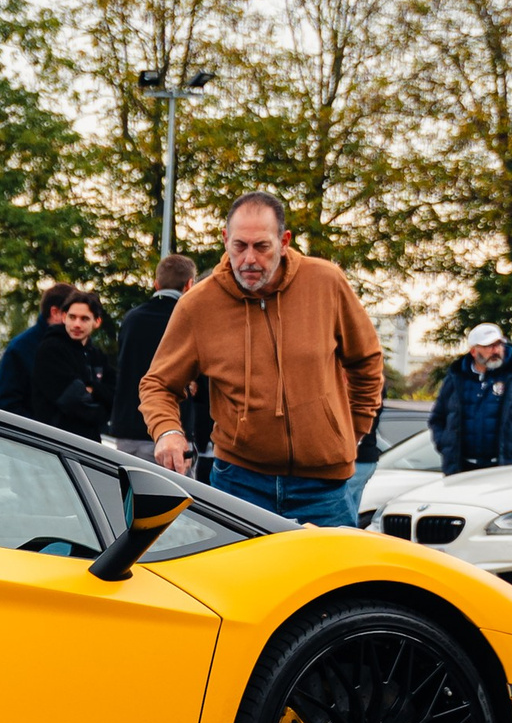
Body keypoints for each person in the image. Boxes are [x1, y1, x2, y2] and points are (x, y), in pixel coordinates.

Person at [137, 190, 383, 529]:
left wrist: (353, 430)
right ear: (225, 240)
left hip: (324, 487)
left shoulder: (326, 282)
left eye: (261, 246)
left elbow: (366, 360)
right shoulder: (198, 305)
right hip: (239, 481)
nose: (249, 259)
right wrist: (167, 431)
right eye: (239, 246)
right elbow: (158, 384)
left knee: (333, 567)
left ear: (284, 241)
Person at [429, 322, 512, 474]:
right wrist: (444, 442)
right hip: (461, 469)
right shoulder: (456, 379)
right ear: (473, 351)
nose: (496, 350)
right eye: (489, 346)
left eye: (499, 344)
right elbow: (437, 418)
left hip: (505, 468)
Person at [108, 254, 199, 460]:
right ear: (189, 284)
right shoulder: (187, 319)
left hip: (128, 426)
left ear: (156, 284)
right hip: (172, 429)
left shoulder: (131, 319)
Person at [23, 288, 110, 439]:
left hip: (90, 444)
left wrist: (93, 389)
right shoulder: (51, 349)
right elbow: (73, 401)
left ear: (97, 322)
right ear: (64, 317)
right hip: (55, 442)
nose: (77, 324)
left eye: (84, 319)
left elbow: (115, 394)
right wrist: (101, 408)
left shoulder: (96, 355)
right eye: (72, 317)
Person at [0, 285, 86, 413]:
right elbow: (6, 406)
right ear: (55, 313)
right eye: (72, 316)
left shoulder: (79, 348)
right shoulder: (20, 350)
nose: (77, 324)